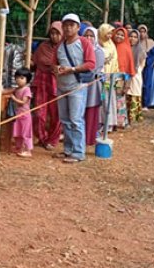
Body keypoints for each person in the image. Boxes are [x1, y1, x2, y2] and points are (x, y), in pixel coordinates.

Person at [53, 13, 96, 163]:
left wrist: (71, 69)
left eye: (71, 25)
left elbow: (91, 64)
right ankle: (68, 149)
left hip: (77, 86)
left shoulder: (84, 43)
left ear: (78, 27)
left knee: (76, 119)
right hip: (61, 85)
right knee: (64, 119)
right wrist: (57, 69)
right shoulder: (60, 44)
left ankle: (78, 152)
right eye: (65, 25)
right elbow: (54, 62)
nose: (68, 28)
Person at [31, 22, 63, 150]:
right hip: (41, 82)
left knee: (56, 114)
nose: (54, 36)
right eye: (52, 33)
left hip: (57, 82)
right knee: (39, 113)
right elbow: (35, 62)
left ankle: (53, 139)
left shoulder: (65, 48)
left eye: (57, 33)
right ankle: (42, 137)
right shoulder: (43, 47)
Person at [82, 26, 105, 145]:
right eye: (86, 35)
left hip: (92, 85)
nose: (88, 38)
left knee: (90, 110)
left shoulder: (98, 52)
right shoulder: (80, 49)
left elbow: (94, 70)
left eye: (91, 36)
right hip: (80, 84)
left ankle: (89, 138)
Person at [112, 26, 134, 129]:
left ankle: (120, 122)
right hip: (108, 77)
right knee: (108, 99)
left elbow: (129, 68)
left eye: (122, 35)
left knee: (119, 99)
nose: (119, 36)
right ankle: (110, 122)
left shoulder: (126, 49)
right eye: (117, 34)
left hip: (120, 78)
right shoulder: (110, 45)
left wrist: (127, 83)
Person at [11, 68, 34, 157]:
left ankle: (28, 150)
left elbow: (23, 102)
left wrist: (14, 99)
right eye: (17, 78)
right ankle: (19, 147)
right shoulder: (16, 89)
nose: (18, 80)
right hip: (18, 115)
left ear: (27, 79)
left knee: (25, 133)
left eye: (21, 78)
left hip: (25, 115)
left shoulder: (26, 90)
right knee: (18, 132)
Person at [128, 29, 147, 123]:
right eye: (131, 36)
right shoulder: (124, 48)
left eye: (135, 37)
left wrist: (134, 71)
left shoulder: (140, 50)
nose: (132, 39)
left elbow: (142, 65)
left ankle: (133, 116)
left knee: (134, 93)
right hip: (124, 75)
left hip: (136, 75)